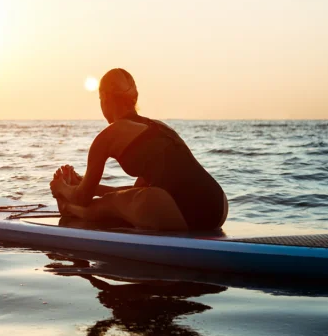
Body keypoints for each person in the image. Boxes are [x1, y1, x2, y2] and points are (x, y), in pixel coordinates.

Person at [49, 68, 227, 231]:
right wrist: (84, 183)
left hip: (180, 210)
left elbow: (83, 198)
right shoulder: (159, 127)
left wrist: (61, 188)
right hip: (218, 206)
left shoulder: (107, 136)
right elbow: (135, 192)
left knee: (110, 203)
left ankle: (68, 209)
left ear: (104, 97)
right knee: (131, 199)